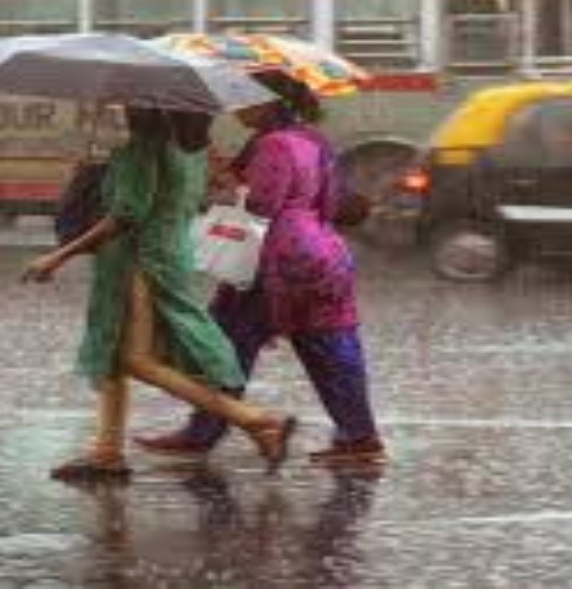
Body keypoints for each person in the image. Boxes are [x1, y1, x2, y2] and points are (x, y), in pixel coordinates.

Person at [22, 107, 297, 479]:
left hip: (138, 260)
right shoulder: (193, 149)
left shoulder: (144, 148)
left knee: (136, 359)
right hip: (170, 253)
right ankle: (107, 453)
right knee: (115, 355)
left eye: (130, 102)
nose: (122, 108)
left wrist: (57, 257)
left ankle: (258, 421)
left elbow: (126, 214)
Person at [134, 71, 385, 464]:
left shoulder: (273, 145)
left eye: (244, 99)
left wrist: (224, 184)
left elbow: (260, 206)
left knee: (227, 342)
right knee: (330, 347)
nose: (236, 108)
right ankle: (359, 436)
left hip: (276, 258)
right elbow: (332, 199)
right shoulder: (311, 140)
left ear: (269, 103)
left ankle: (204, 431)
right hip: (324, 252)